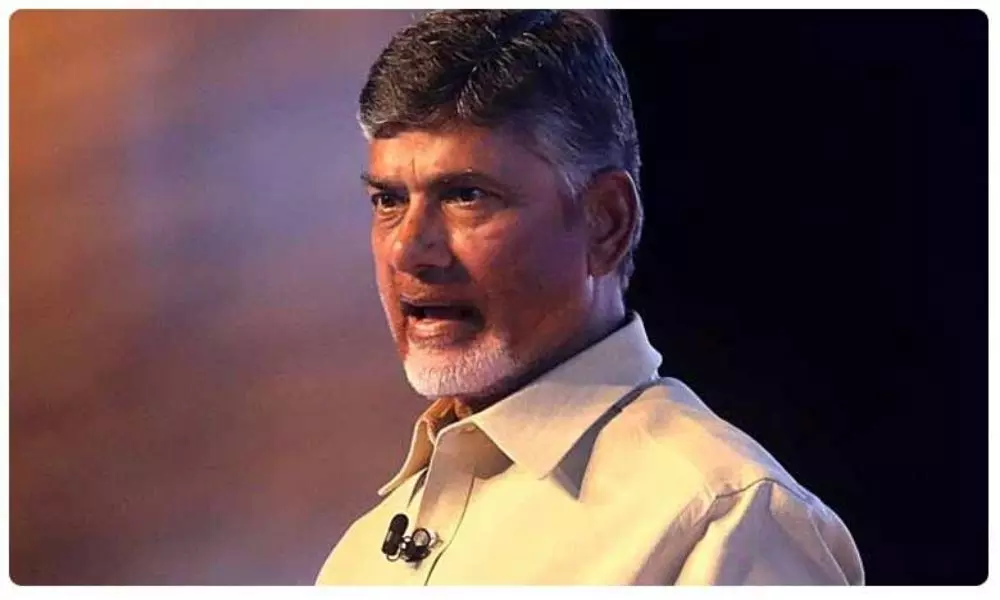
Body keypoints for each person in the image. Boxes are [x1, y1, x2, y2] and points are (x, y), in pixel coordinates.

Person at [316, 9, 864, 585]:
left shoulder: (725, 520)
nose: (409, 250)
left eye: (466, 195)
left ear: (606, 222)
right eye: (389, 201)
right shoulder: (360, 556)